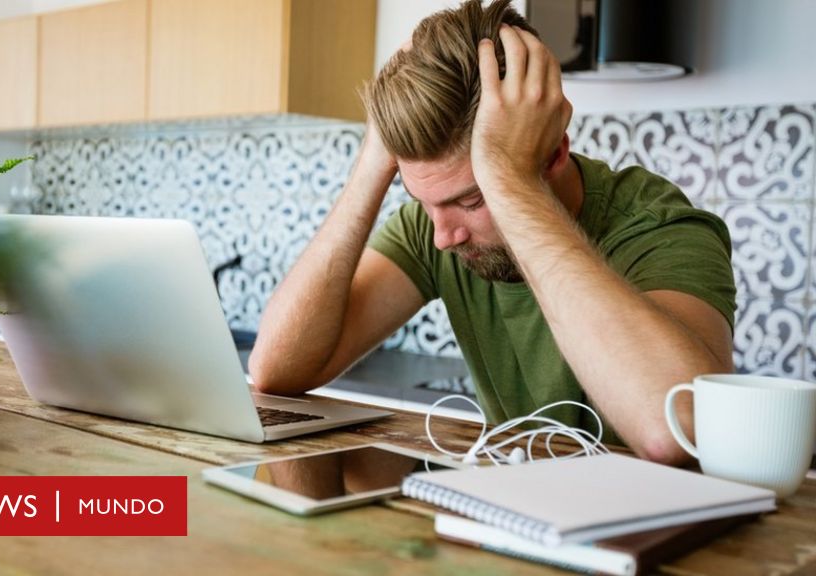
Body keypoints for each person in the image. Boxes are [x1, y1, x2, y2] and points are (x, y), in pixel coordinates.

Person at [248, 0, 734, 465]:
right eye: (424, 201)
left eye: (472, 200)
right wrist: (374, 159)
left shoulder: (657, 225)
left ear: (553, 154)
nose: (443, 237)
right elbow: (275, 371)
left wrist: (510, 180)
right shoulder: (435, 224)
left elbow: (677, 430)